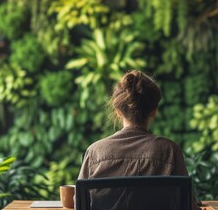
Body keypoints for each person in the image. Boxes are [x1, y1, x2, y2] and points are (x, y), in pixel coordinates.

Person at [77, 70, 198, 210]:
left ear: (118, 111)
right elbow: (188, 205)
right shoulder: (170, 150)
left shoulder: (95, 152)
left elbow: (79, 202)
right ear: (154, 111)